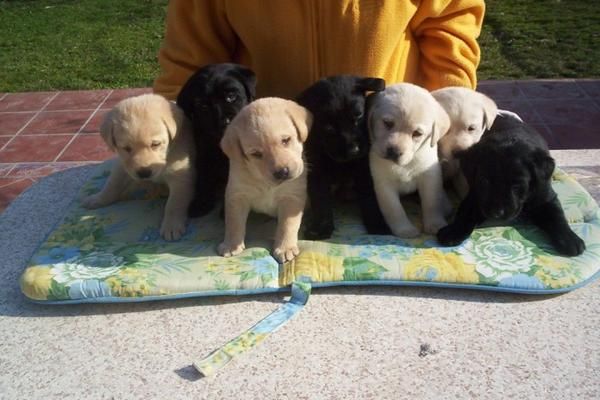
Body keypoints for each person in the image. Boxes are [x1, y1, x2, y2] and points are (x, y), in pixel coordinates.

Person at [153, 0, 484, 101]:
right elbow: (189, 62)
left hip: (390, 152)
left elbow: (449, 27)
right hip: (263, 160)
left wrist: (449, 117)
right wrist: (174, 138)